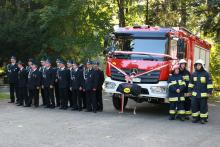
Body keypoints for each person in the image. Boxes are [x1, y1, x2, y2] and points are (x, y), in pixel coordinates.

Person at [188, 59, 213, 124]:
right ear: (195, 66)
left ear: (202, 66)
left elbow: (209, 84)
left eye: (199, 65)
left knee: (203, 107)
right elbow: (191, 84)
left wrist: (209, 92)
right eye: (197, 65)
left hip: (203, 95)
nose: (198, 66)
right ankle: (195, 118)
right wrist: (189, 91)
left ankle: (203, 119)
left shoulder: (206, 74)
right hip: (195, 95)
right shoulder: (193, 74)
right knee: (194, 106)